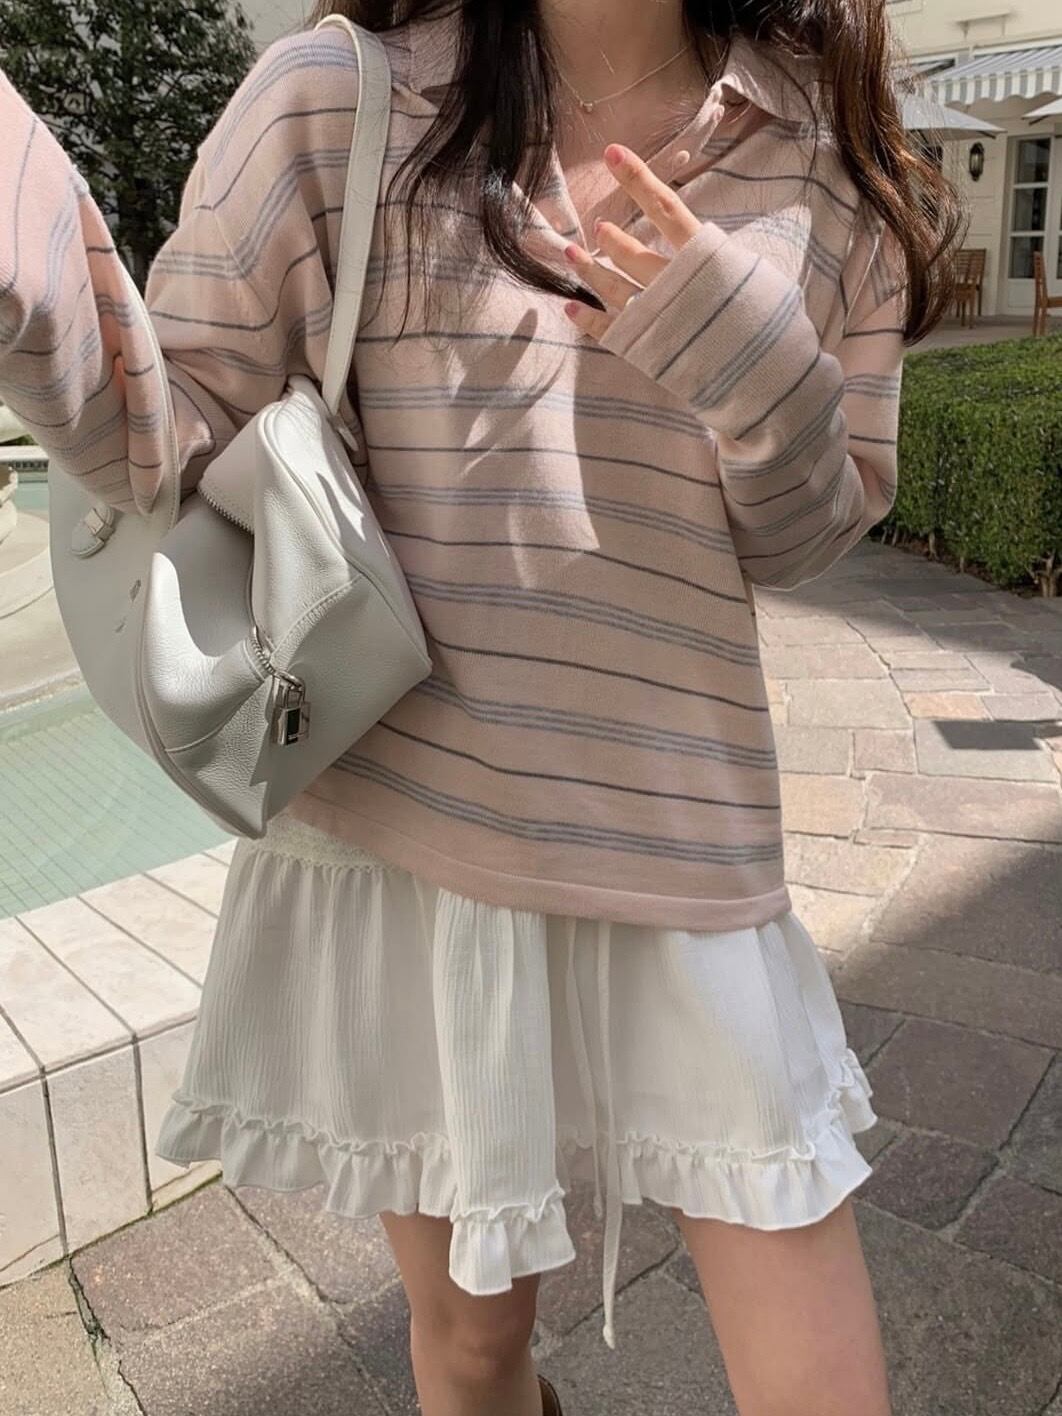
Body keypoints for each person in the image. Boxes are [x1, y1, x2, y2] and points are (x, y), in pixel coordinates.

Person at [0, 1, 962, 1411]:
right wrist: (35, 274)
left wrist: (761, 381)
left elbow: (796, 537)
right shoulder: (336, 102)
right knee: (470, 1352)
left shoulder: (823, 146)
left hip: (679, 845)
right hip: (413, 842)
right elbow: (175, 444)